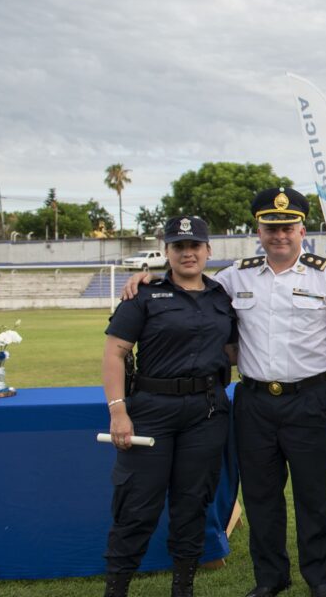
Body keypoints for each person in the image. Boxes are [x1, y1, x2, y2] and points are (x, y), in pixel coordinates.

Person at [122, 186, 326, 597]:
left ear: (303, 230)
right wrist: (147, 279)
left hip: (310, 398)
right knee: (262, 496)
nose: (279, 235)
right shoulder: (235, 277)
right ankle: (270, 579)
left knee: (313, 495)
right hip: (254, 402)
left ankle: (320, 579)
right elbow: (189, 286)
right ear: (259, 231)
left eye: (288, 227)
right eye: (271, 227)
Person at [102, 216, 237, 597]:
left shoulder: (221, 297)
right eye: (179, 246)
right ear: (168, 252)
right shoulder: (142, 295)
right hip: (151, 411)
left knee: (192, 503)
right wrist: (118, 410)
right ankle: (117, 587)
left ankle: (183, 586)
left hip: (206, 413)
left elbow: (234, 351)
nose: (188, 253)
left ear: (208, 250)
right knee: (137, 505)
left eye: (195, 245)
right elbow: (115, 353)